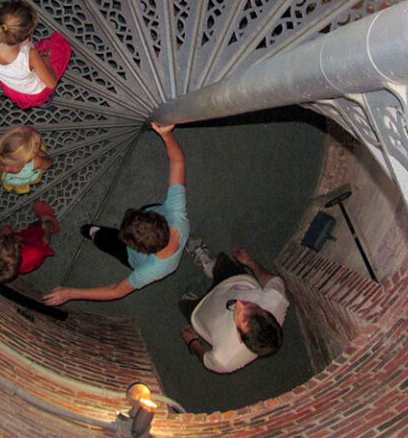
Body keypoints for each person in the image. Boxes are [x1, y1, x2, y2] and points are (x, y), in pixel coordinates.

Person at [42, 123, 189, 305]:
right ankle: (94, 232)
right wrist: (167, 135)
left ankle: (94, 233)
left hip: (126, 254)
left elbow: (116, 290)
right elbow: (178, 162)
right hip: (151, 217)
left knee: (105, 240)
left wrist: (72, 293)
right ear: (160, 220)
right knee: (134, 217)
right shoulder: (177, 215)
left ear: (137, 248)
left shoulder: (153, 269)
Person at [179, 246, 289, 374]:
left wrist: (192, 342)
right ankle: (212, 267)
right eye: (251, 305)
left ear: (239, 336)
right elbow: (272, 280)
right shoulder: (276, 299)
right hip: (233, 280)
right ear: (266, 312)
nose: (239, 302)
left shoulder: (224, 360)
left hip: (201, 312)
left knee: (184, 304)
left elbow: (206, 359)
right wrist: (250, 262)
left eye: (239, 314)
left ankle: (193, 297)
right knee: (223, 262)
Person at [0, 202, 59, 283]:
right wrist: (47, 229)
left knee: (5, 230)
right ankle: (50, 223)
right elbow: (45, 242)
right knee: (38, 230)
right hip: (34, 241)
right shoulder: (32, 255)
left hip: (18, 243)